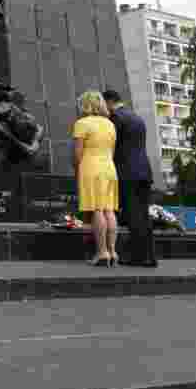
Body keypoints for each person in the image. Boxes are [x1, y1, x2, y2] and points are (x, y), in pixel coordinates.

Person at [103, 89, 158, 267]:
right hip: (144, 172)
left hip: (127, 173)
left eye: (105, 105)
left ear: (109, 102)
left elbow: (111, 145)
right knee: (143, 215)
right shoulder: (136, 117)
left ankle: (138, 257)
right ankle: (149, 256)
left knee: (133, 215)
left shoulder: (116, 118)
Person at [72, 90, 119, 266]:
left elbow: (78, 154)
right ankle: (113, 251)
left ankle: (101, 252)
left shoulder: (82, 124)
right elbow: (112, 151)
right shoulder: (110, 125)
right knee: (109, 210)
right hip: (109, 168)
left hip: (91, 167)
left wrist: (77, 169)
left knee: (97, 210)